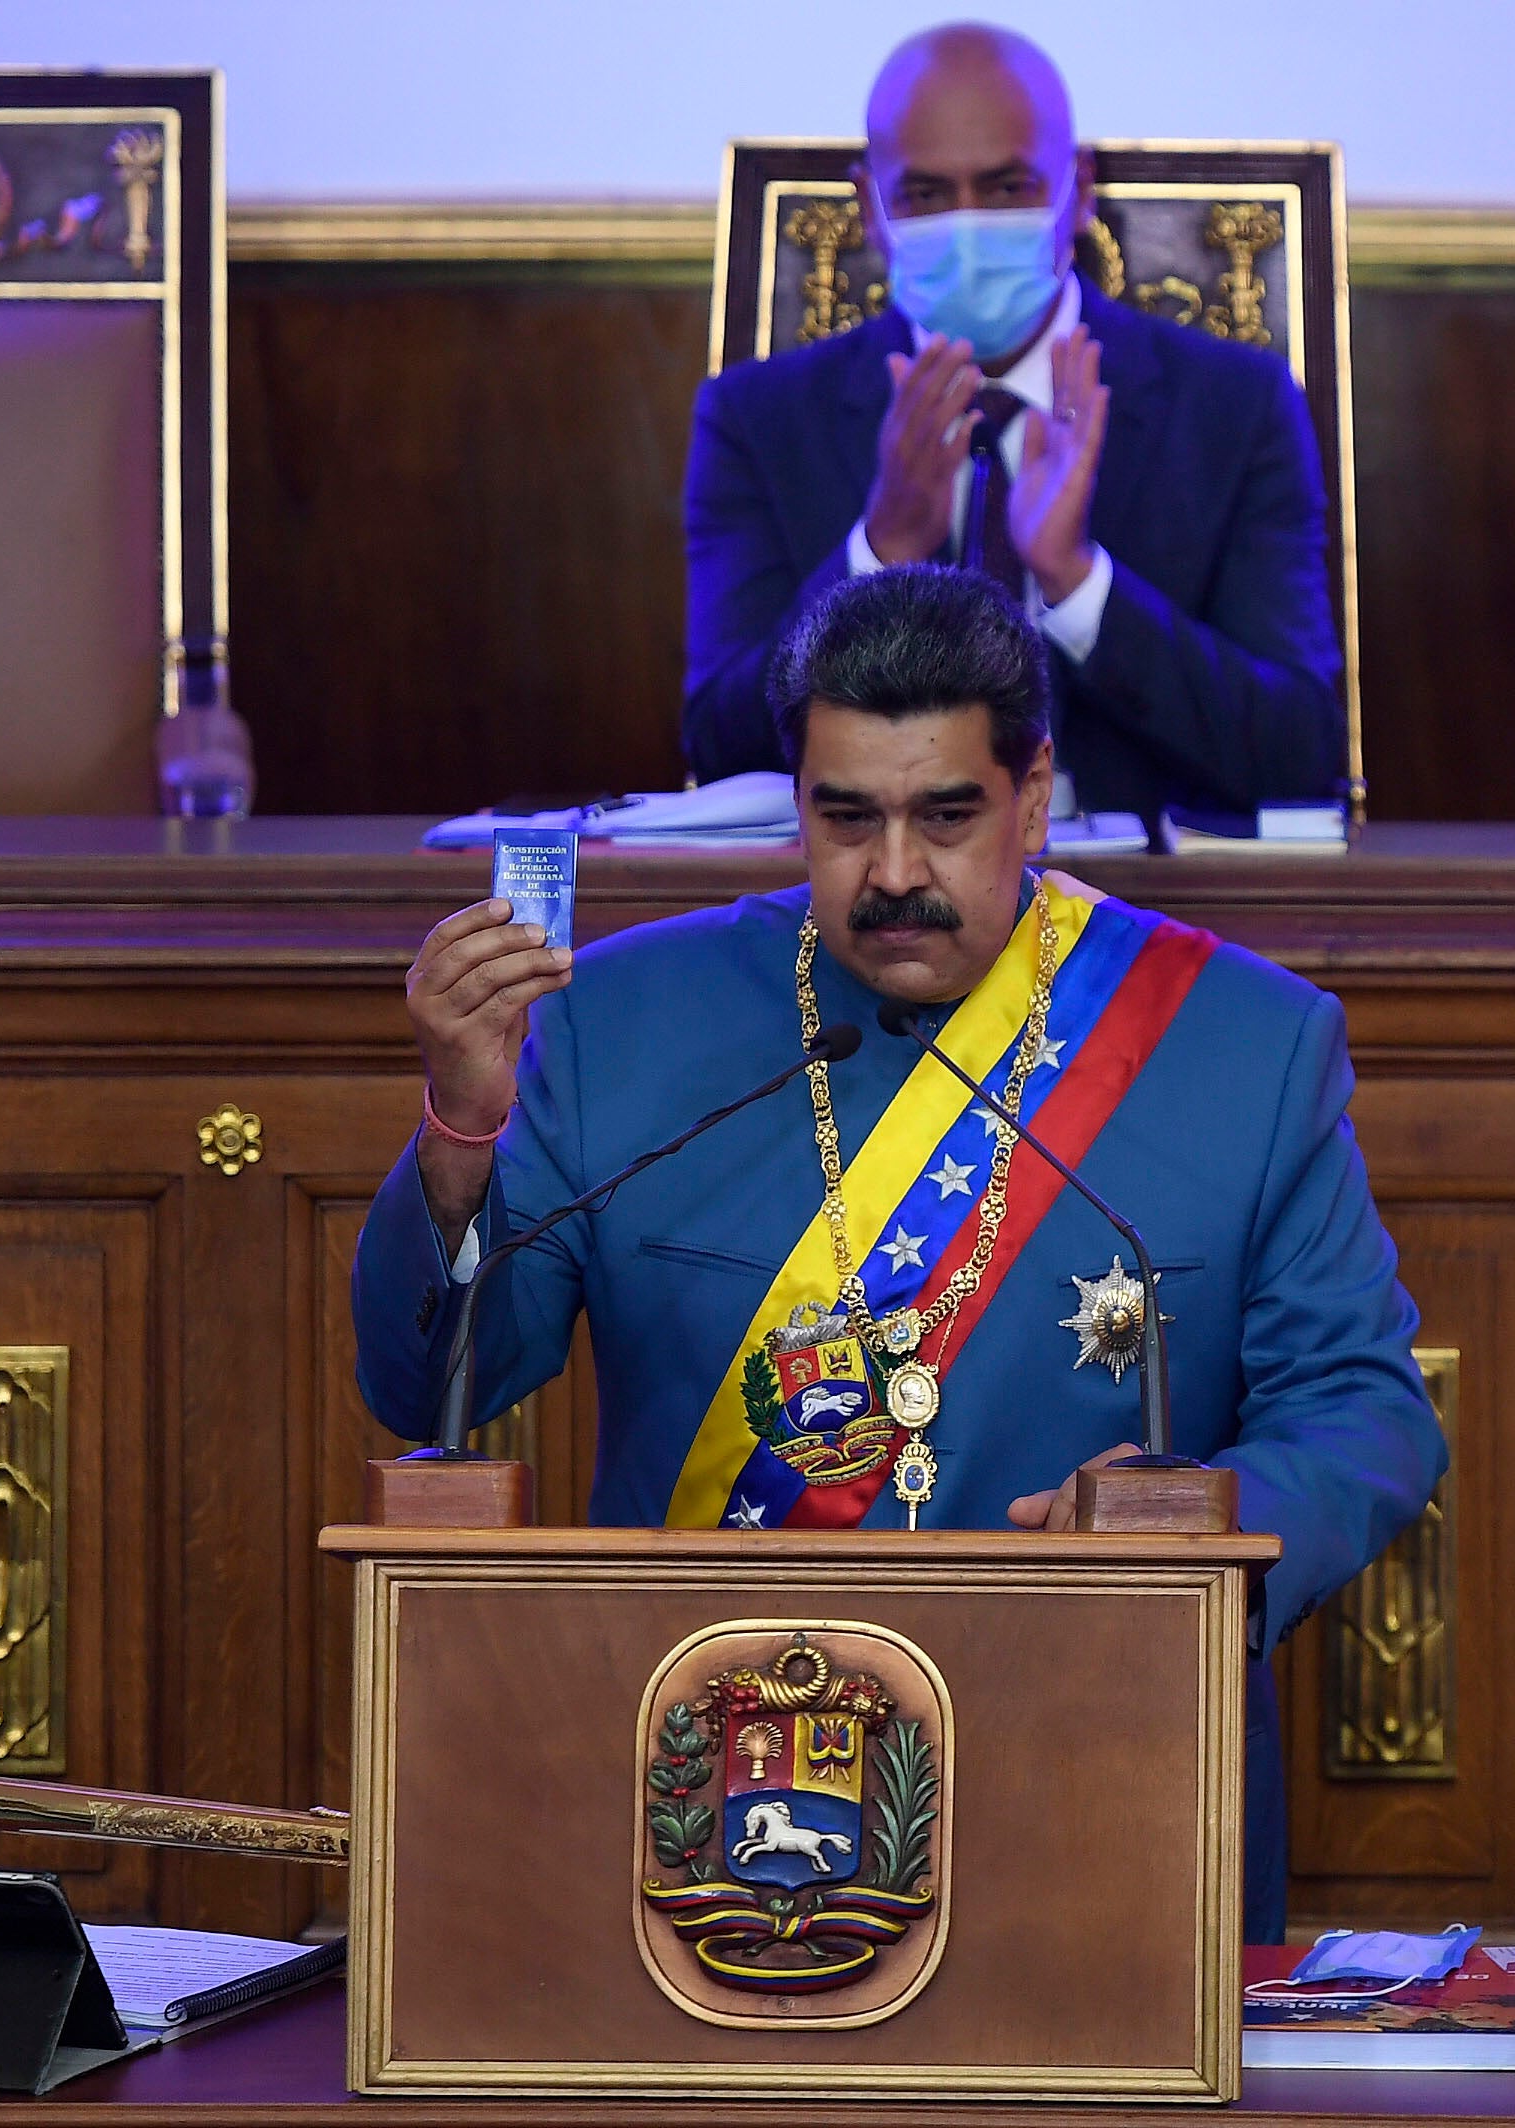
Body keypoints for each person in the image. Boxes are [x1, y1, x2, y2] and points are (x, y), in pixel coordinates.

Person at [356, 564, 1440, 1938]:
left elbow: (1365, 1411)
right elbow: (430, 1383)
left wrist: (1198, 1538)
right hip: (707, 1808)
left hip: (1104, 1773)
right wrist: (463, 1121)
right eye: (845, 818)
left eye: (947, 817)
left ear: (1035, 793)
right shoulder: (621, 1022)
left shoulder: (1241, 1046)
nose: (894, 876)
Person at [680, 22, 1345, 820]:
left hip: (1142, 916)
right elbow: (718, 748)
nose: (968, 224)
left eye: (1006, 189)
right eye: (925, 196)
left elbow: (1300, 752)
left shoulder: (1235, 407)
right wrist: (876, 553)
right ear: (870, 203)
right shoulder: (759, 419)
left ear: (1079, 190)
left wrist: (1078, 581)